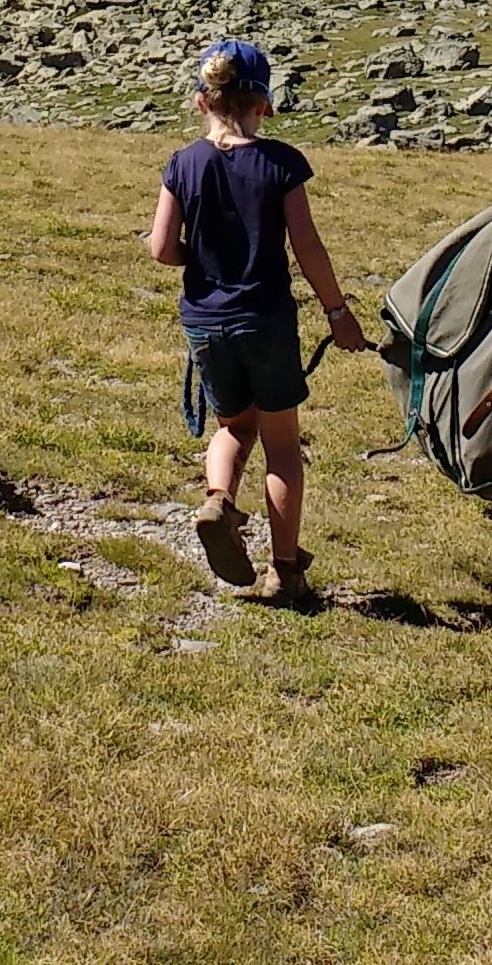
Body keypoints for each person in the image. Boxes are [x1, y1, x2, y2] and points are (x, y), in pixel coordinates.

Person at [145, 38, 368, 604]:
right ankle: (285, 572)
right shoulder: (281, 165)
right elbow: (308, 244)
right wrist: (337, 312)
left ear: (202, 102)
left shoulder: (181, 164)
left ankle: (218, 498)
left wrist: (199, 259)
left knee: (232, 428)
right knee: (283, 446)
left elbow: (161, 248)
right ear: (264, 105)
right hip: (266, 319)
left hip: (205, 322)